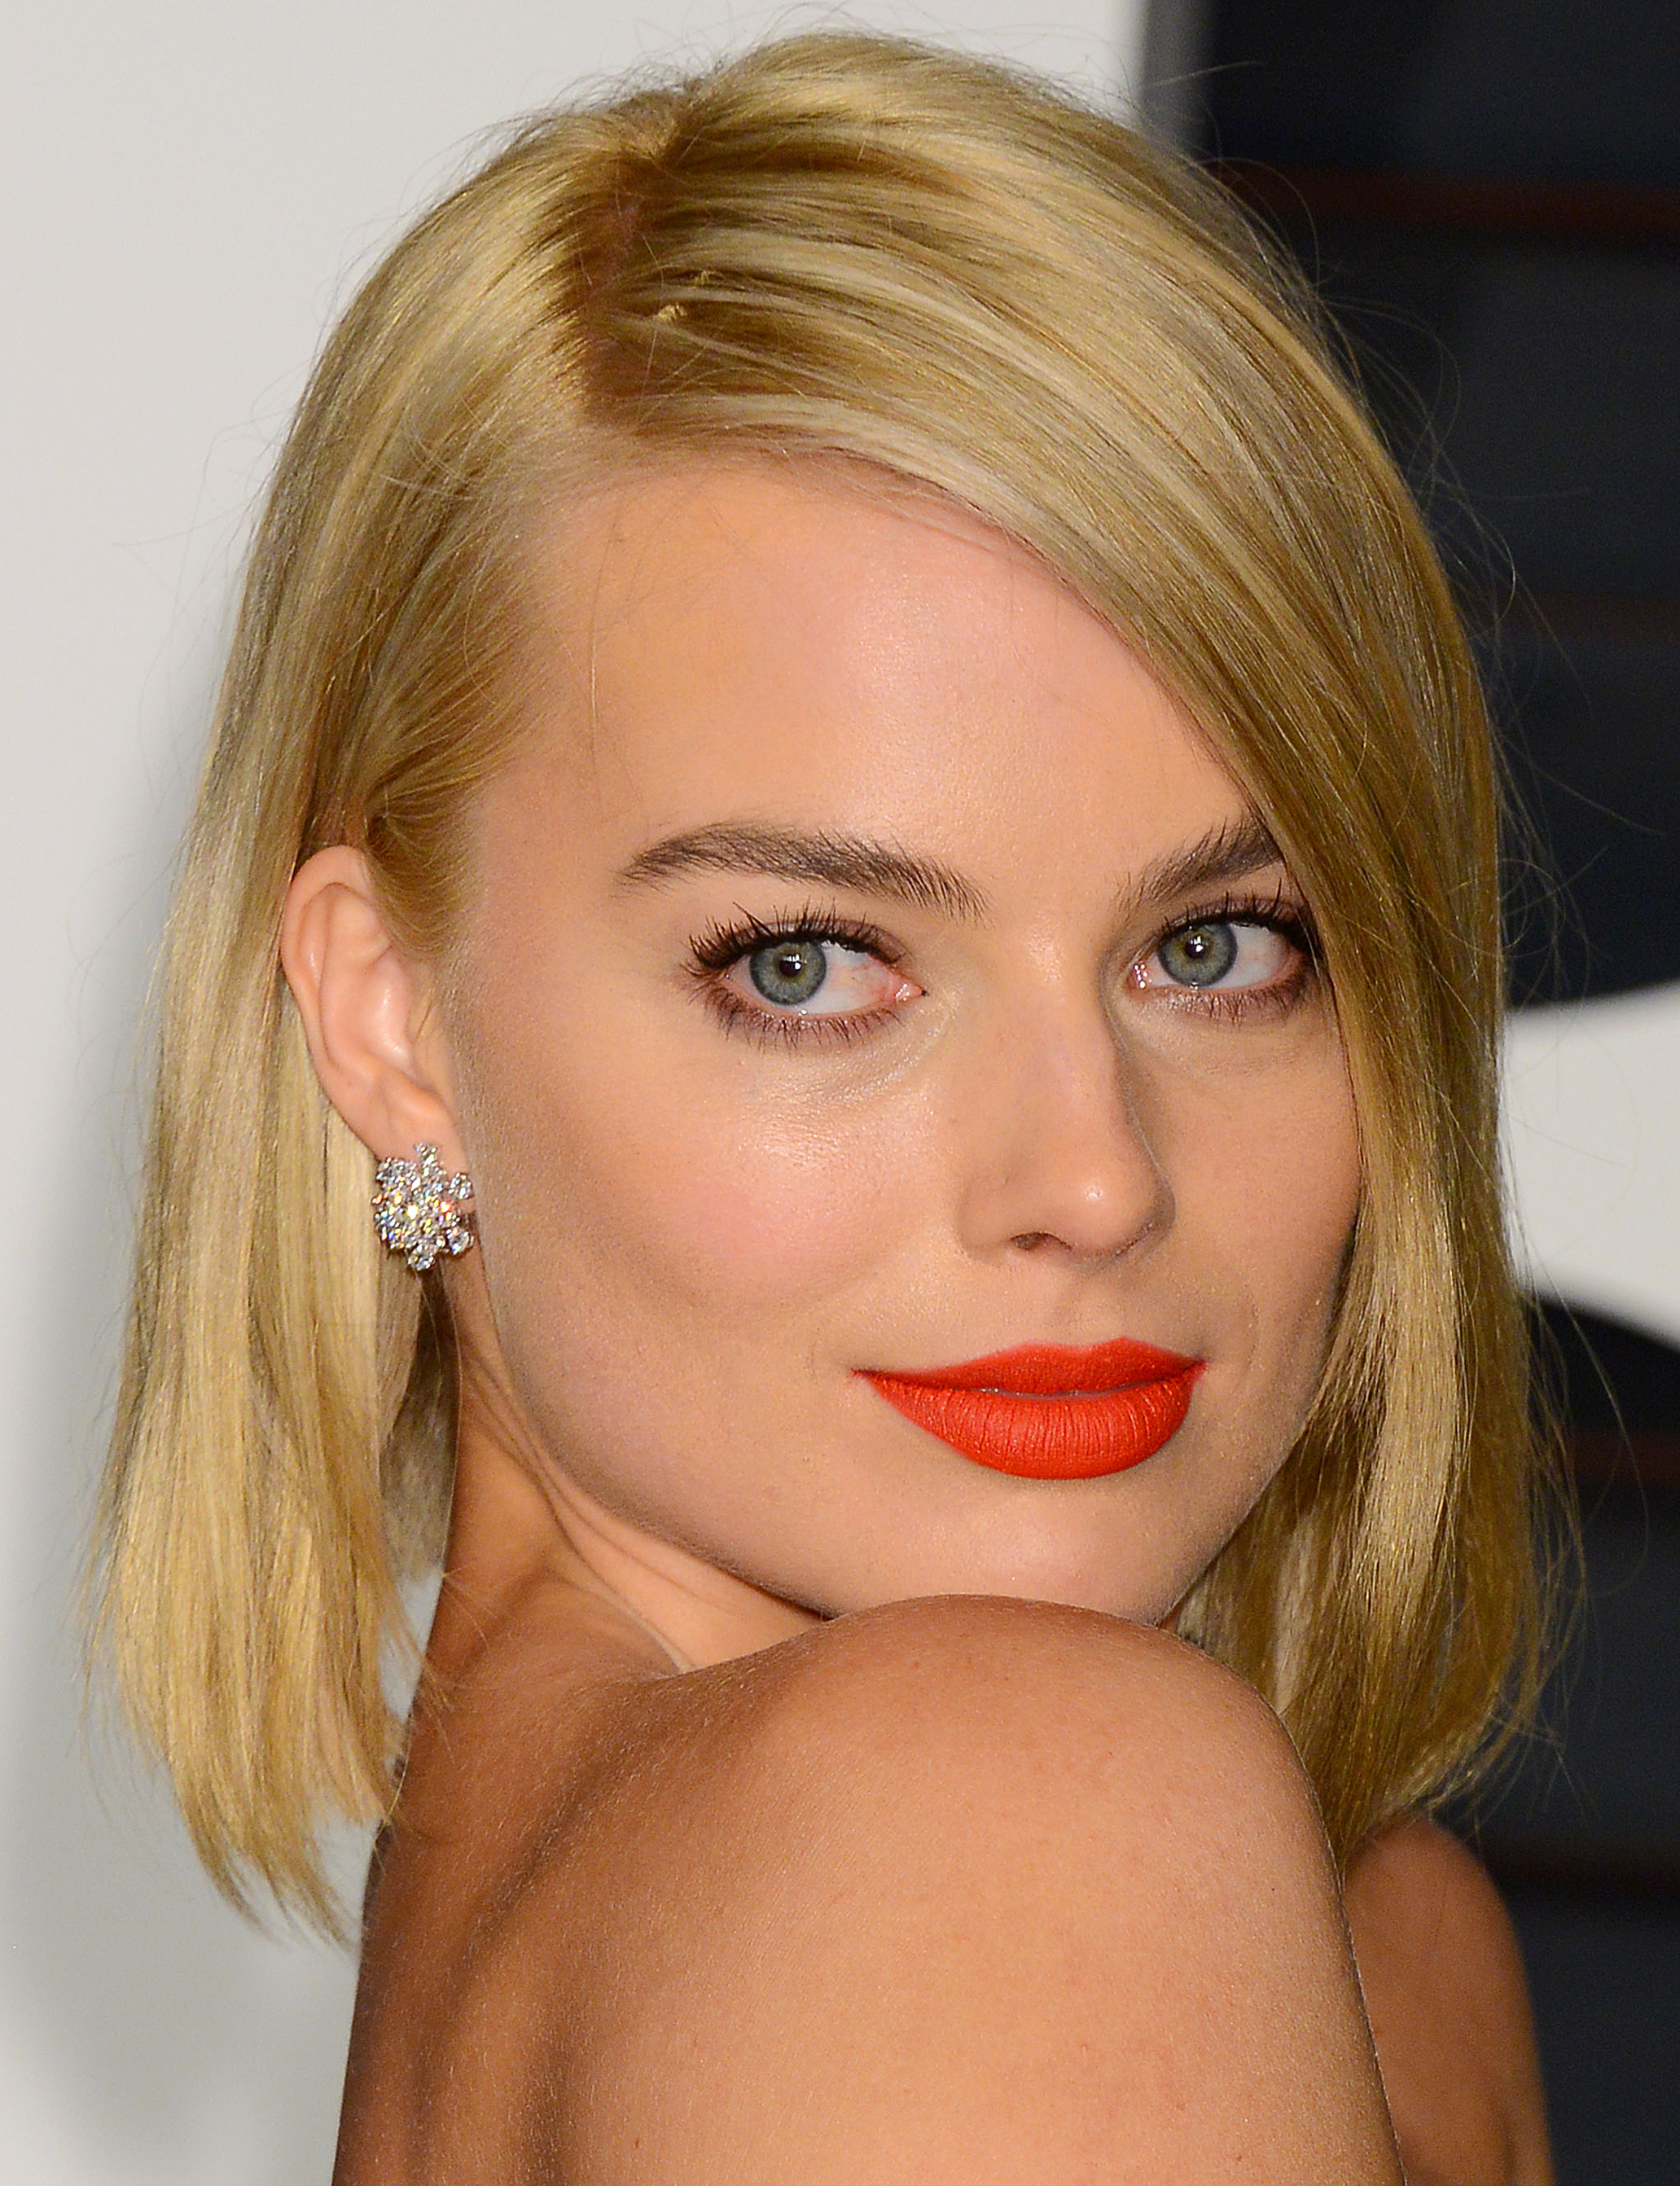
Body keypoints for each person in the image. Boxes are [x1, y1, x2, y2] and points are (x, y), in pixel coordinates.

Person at [93, 31, 1557, 2183]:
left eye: (1223, 946)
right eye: (806, 965)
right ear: (392, 1025)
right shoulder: (1020, 1817)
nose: (1093, 1177)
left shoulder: (1376, 1951)